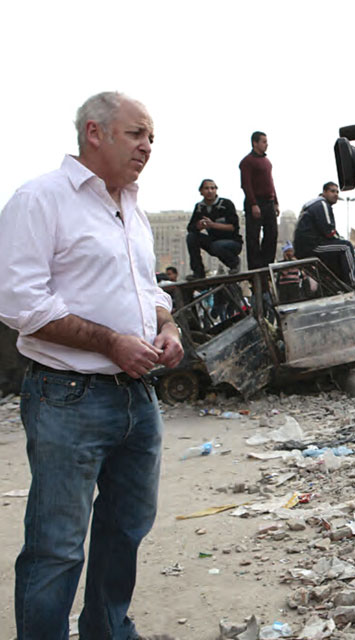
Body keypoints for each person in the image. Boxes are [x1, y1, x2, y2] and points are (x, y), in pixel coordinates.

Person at [0, 91, 184, 639]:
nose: (147, 147)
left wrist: (166, 327)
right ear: (94, 132)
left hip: (136, 395)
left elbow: (147, 289)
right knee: (57, 544)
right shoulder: (40, 200)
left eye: (152, 137)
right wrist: (110, 343)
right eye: (136, 134)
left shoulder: (131, 206)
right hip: (67, 396)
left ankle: (108, 630)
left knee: (125, 530)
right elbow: (20, 303)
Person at [294, 182, 355, 287]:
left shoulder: (313, 204)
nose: (336, 195)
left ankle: (338, 283)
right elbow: (329, 232)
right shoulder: (322, 204)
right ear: (324, 192)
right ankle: (353, 282)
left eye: (337, 192)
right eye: (332, 191)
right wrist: (340, 239)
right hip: (312, 246)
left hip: (303, 247)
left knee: (337, 248)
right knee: (346, 246)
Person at [186, 178, 242, 279]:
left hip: (232, 242)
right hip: (213, 242)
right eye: (206, 188)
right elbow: (190, 228)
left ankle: (234, 263)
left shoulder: (226, 204)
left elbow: (233, 227)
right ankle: (198, 272)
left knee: (217, 246)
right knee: (191, 237)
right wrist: (198, 226)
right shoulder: (200, 207)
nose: (210, 191)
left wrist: (212, 225)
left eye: (212, 188)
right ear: (201, 192)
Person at [239, 130, 279, 269]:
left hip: (269, 202)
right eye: (263, 142)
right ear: (255, 143)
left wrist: (276, 202)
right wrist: (253, 204)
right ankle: (255, 268)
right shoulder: (247, 162)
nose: (266, 145)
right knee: (253, 238)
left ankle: (266, 264)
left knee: (272, 234)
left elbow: (271, 182)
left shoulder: (267, 162)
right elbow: (246, 184)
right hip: (255, 202)